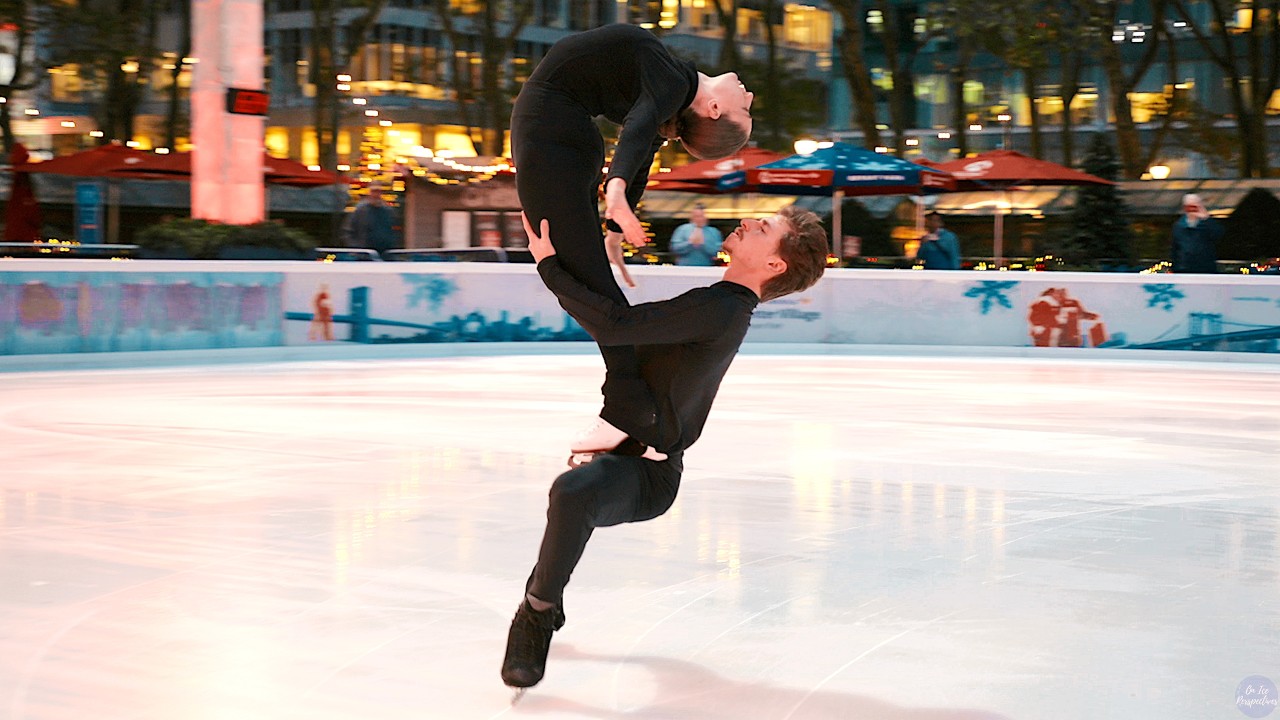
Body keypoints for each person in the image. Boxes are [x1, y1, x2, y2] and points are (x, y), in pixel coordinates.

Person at [500, 205, 829, 691]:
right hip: (626, 457)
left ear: (774, 264)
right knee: (575, 496)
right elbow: (623, 335)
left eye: (764, 229)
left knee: (572, 493)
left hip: (649, 474)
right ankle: (548, 595)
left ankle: (537, 612)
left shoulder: (722, 308)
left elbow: (614, 328)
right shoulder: (720, 302)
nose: (749, 222)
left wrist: (550, 265)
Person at [510, 23, 754, 461]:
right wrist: (615, 232)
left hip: (550, 135)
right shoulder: (671, 84)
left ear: (715, 108)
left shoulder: (672, 81)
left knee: (584, 279)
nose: (750, 96)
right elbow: (643, 142)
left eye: (746, 110)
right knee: (587, 279)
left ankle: (627, 413)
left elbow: (639, 135)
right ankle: (631, 411)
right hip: (561, 134)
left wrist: (617, 197)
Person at [1171, 193, 1221, 274]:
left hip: (1205, 269)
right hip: (1183, 269)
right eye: (1188, 207)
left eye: (1194, 207)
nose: (1191, 210)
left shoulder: (1207, 224)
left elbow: (1218, 235)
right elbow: (1175, 248)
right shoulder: (1179, 225)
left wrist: (1206, 219)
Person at [345, 181, 397, 257]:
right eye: (373, 191)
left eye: (378, 191)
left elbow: (393, 232)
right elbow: (348, 232)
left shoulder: (388, 211)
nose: (376, 195)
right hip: (364, 255)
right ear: (369, 192)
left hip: (386, 255)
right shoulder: (360, 211)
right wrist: (357, 249)